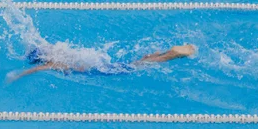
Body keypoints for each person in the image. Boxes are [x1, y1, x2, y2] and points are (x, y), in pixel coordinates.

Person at [10, 44, 196, 81]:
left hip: (102, 71)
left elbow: (39, 69)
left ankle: (172, 55)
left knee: (137, 66)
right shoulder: (64, 55)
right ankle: (160, 53)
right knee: (134, 63)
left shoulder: (57, 64)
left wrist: (18, 75)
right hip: (101, 63)